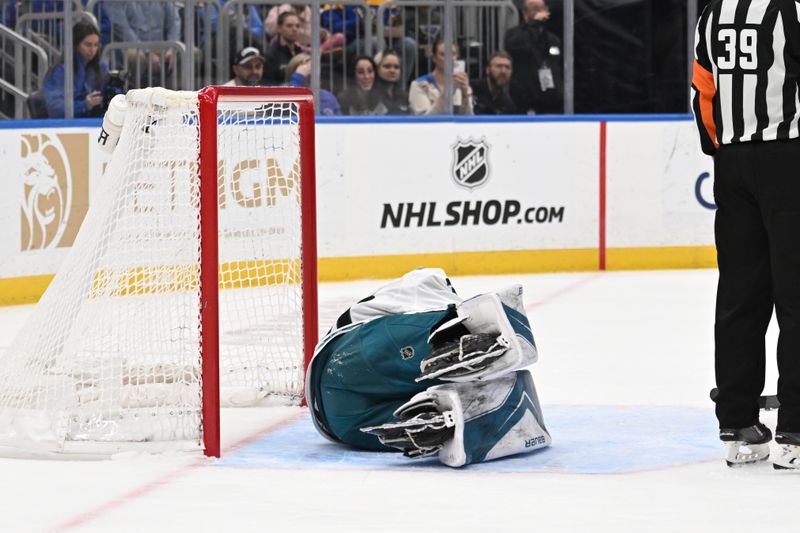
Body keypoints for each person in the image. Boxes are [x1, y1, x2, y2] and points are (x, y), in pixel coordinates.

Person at [692, 0, 800, 470]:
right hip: (790, 158)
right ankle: (795, 427)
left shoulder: (713, 13)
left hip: (732, 164)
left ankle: (738, 423)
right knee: (796, 297)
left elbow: (703, 90)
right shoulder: (793, 10)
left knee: (740, 295)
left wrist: (725, 152)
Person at [306, 268, 550, 467]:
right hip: (347, 399)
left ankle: (450, 419)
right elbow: (430, 277)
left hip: (343, 419)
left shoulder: (400, 296)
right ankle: (469, 412)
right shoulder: (429, 285)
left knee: (441, 405)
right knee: (449, 337)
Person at [504, 0, 562, 114]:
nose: (540, 11)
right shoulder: (514, 35)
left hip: (550, 98)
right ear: (525, 13)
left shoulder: (552, 39)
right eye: (535, 8)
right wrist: (534, 22)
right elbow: (517, 47)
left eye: (542, 8)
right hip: (524, 98)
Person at [43, 19, 109, 118]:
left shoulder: (102, 69)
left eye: (96, 45)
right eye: (88, 45)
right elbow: (55, 108)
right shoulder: (60, 71)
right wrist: (85, 105)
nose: (92, 50)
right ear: (75, 45)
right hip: (67, 127)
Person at [409, 38, 473, 115]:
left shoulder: (462, 85)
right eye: (443, 54)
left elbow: (469, 120)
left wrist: (465, 94)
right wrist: (447, 91)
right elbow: (425, 121)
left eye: (453, 54)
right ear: (434, 58)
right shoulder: (418, 85)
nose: (450, 58)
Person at [264, 4, 344, 54]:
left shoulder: (309, 11)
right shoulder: (280, 9)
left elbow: (316, 29)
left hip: (311, 45)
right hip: (290, 45)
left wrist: (323, 33)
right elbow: (269, 31)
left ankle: (319, 51)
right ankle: (318, 53)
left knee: (340, 37)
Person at [264, 11, 302, 85]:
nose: (295, 29)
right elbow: (268, 84)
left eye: (297, 26)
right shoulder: (271, 55)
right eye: (289, 26)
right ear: (279, 28)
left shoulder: (300, 51)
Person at [374, 49, 410, 115]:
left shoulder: (405, 96)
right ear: (377, 69)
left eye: (396, 67)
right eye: (387, 66)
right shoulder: (371, 95)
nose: (392, 70)